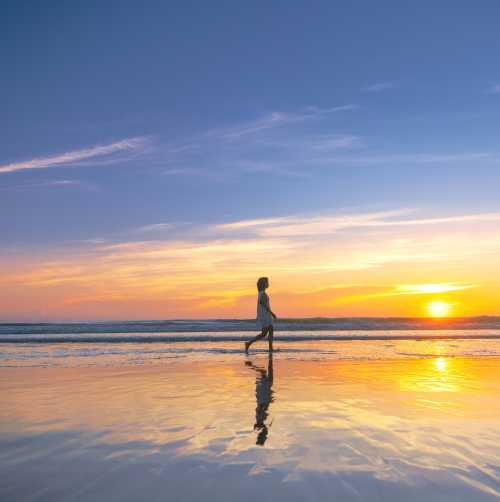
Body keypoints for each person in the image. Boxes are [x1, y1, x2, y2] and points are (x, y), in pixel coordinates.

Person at [245, 277, 277, 353]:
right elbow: (263, 303)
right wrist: (272, 313)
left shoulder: (261, 293)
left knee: (264, 333)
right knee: (269, 330)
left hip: (263, 315)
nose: (268, 284)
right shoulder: (263, 294)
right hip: (265, 315)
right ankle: (270, 348)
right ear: (264, 284)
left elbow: (262, 303)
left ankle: (249, 343)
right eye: (267, 282)